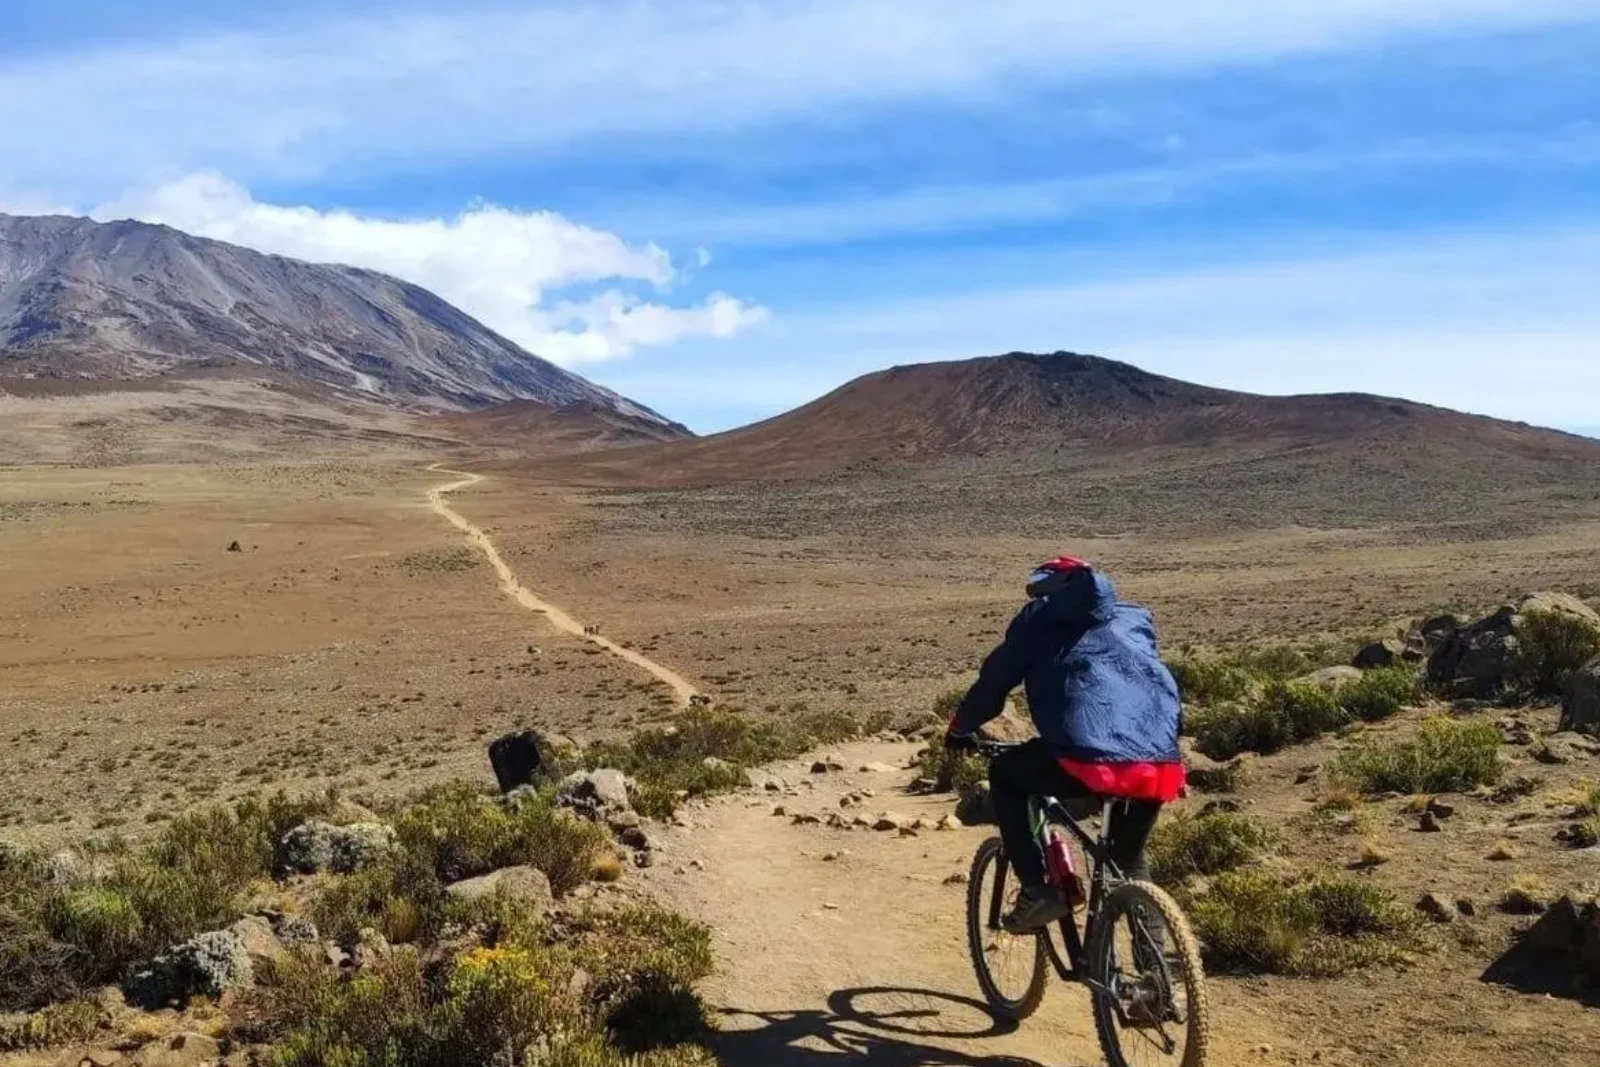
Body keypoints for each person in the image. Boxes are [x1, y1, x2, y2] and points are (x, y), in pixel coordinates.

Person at [946, 556, 1185, 932]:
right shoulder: (1134, 618)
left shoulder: (1035, 624)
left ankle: (1039, 890)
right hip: (1158, 761)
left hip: (1087, 759)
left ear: (1050, 595)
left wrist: (960, 730)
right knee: (1130, 861)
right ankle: (1156, 979)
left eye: (1040, 592)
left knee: (1006, 774)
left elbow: (993, 686)